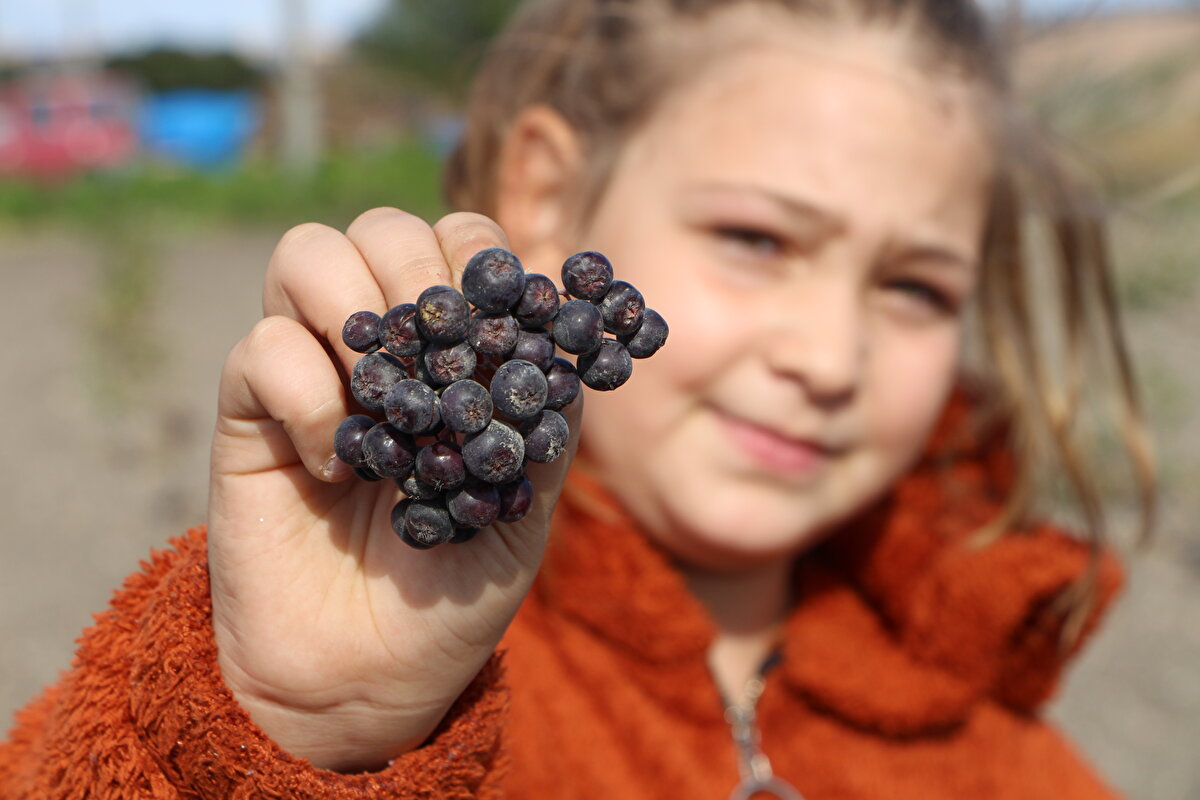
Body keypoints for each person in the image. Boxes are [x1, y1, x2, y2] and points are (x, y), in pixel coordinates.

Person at [0, 0, 1156, 797]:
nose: (830, 353)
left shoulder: (1015, 763)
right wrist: (287, 734)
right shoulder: (397, 659)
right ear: (546, 195)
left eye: (913, 285)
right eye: (757, 237)